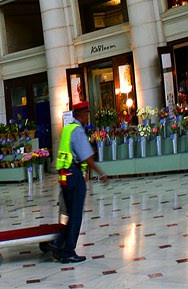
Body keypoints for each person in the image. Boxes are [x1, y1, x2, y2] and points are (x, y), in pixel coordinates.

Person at [49, 110, 107, 264]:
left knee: (71, 214)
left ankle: (58, 244)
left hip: (64, 175)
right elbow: (87, 157)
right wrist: (101, 173)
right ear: (81, 115)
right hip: (74, 176)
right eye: (86, 114)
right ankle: (68, 251)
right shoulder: (78, 131)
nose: (88, 116)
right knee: (76, 215)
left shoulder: (67, 129)